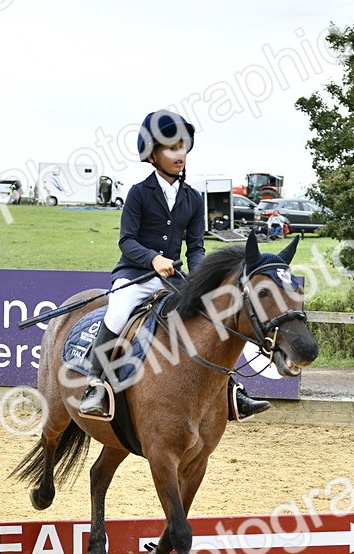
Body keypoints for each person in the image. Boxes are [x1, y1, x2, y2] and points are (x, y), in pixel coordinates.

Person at [78, 109, 270, 420]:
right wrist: (152, 259)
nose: (179, 154)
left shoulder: (193, 198)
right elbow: (126, 241)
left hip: (175, 279)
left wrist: (201, 278)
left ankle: (231, 388)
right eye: (170, 148)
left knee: (210, 319)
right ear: (152, 155)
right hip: (135, 276)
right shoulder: (139, 193)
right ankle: (96, 384)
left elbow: (195, 247)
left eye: (182, 147)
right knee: (117, 311)